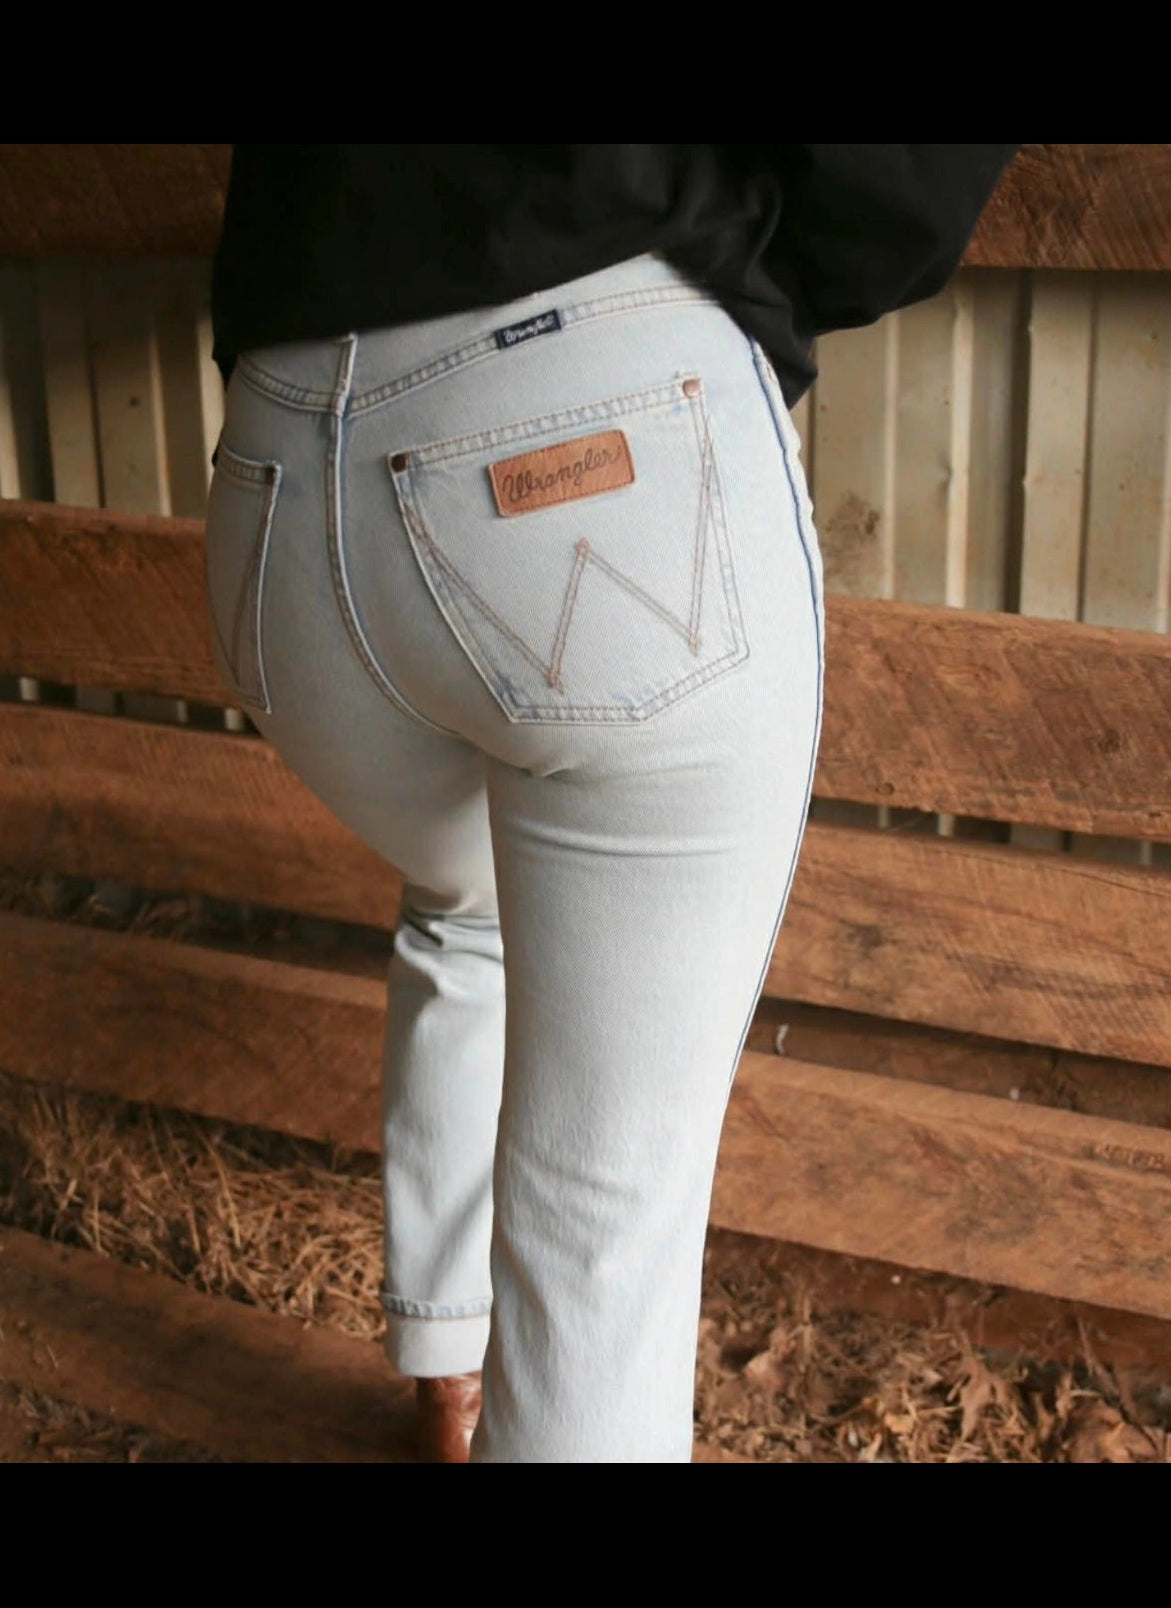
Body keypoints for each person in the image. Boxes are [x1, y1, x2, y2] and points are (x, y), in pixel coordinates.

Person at [207, 143, 1019, 1463]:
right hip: (601, 399)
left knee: (465, 903)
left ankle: (448, 1383)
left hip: (279, 468)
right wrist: (738, 270)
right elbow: (899, 191)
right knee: (607, 1211)